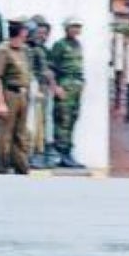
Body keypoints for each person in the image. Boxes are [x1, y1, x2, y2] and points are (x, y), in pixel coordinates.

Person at [0, 16, 33, 175]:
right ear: (21, 31)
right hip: (9, 93)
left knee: (20, 132)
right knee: (5, 132)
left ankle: (21, 165)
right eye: (25, 29)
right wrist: (0, 102)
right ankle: (2, 166)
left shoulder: (23, 50)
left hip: (22, 94)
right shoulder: (3, 50)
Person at [50, 16, 85, 168]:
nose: (76, 29)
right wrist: (55, 87)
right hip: (64, 84)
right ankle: (62, 154)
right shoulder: (59, 45)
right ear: (66, 28)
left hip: (75, 87)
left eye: (78, 27)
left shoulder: (78, 45)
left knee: (72, 119)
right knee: (62, 120)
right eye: (73, 26)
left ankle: (68, 153)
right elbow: (50, 68)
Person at [27, 15, 58, 169]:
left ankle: (42, 153)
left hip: (43, 91)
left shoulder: (44, 50)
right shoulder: (28, 49)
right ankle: (31, 154)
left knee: (44, 122)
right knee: (30, 123)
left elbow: (48, 70)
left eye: (45, 33)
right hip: (30, 90)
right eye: (39, 32)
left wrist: (52, 83)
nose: (42, 35)